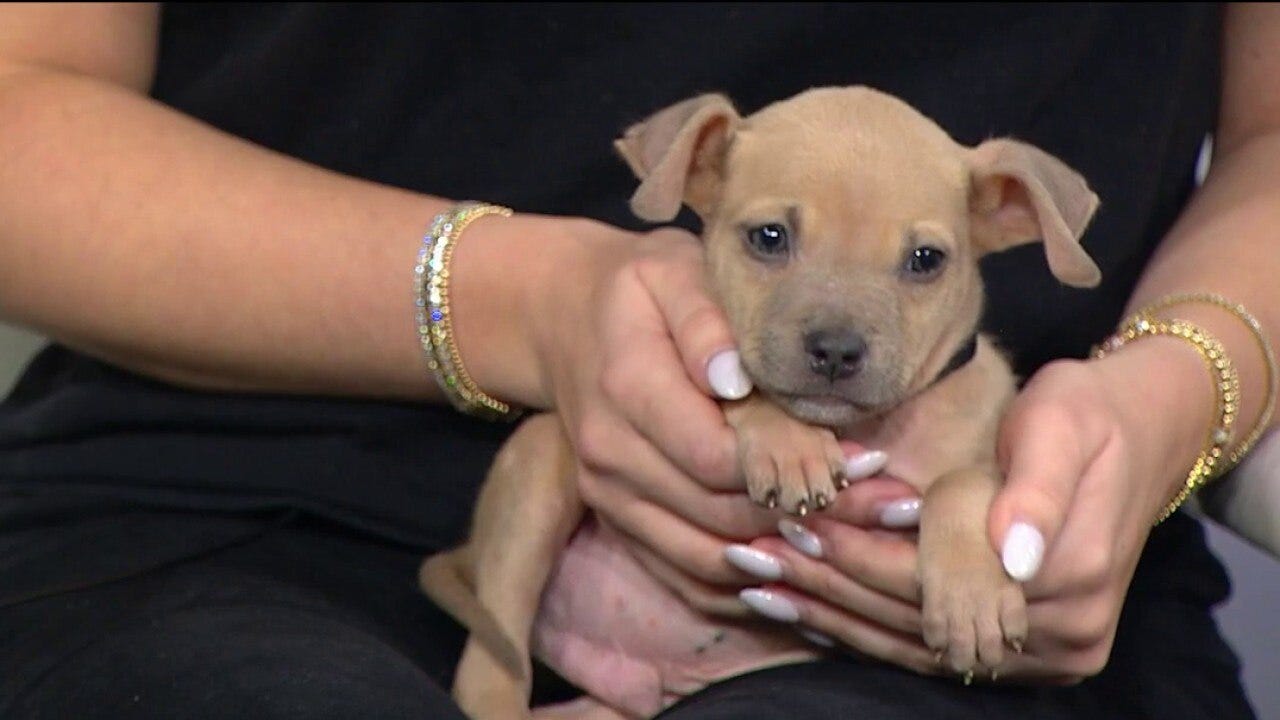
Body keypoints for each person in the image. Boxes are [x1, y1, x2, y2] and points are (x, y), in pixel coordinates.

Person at [0, 3, 1270, 718]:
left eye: (922, 260)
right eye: (768, 240)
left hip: (967, 632)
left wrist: (1177, 391)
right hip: (234, 499)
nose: (836, 326)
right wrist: (528, 305)